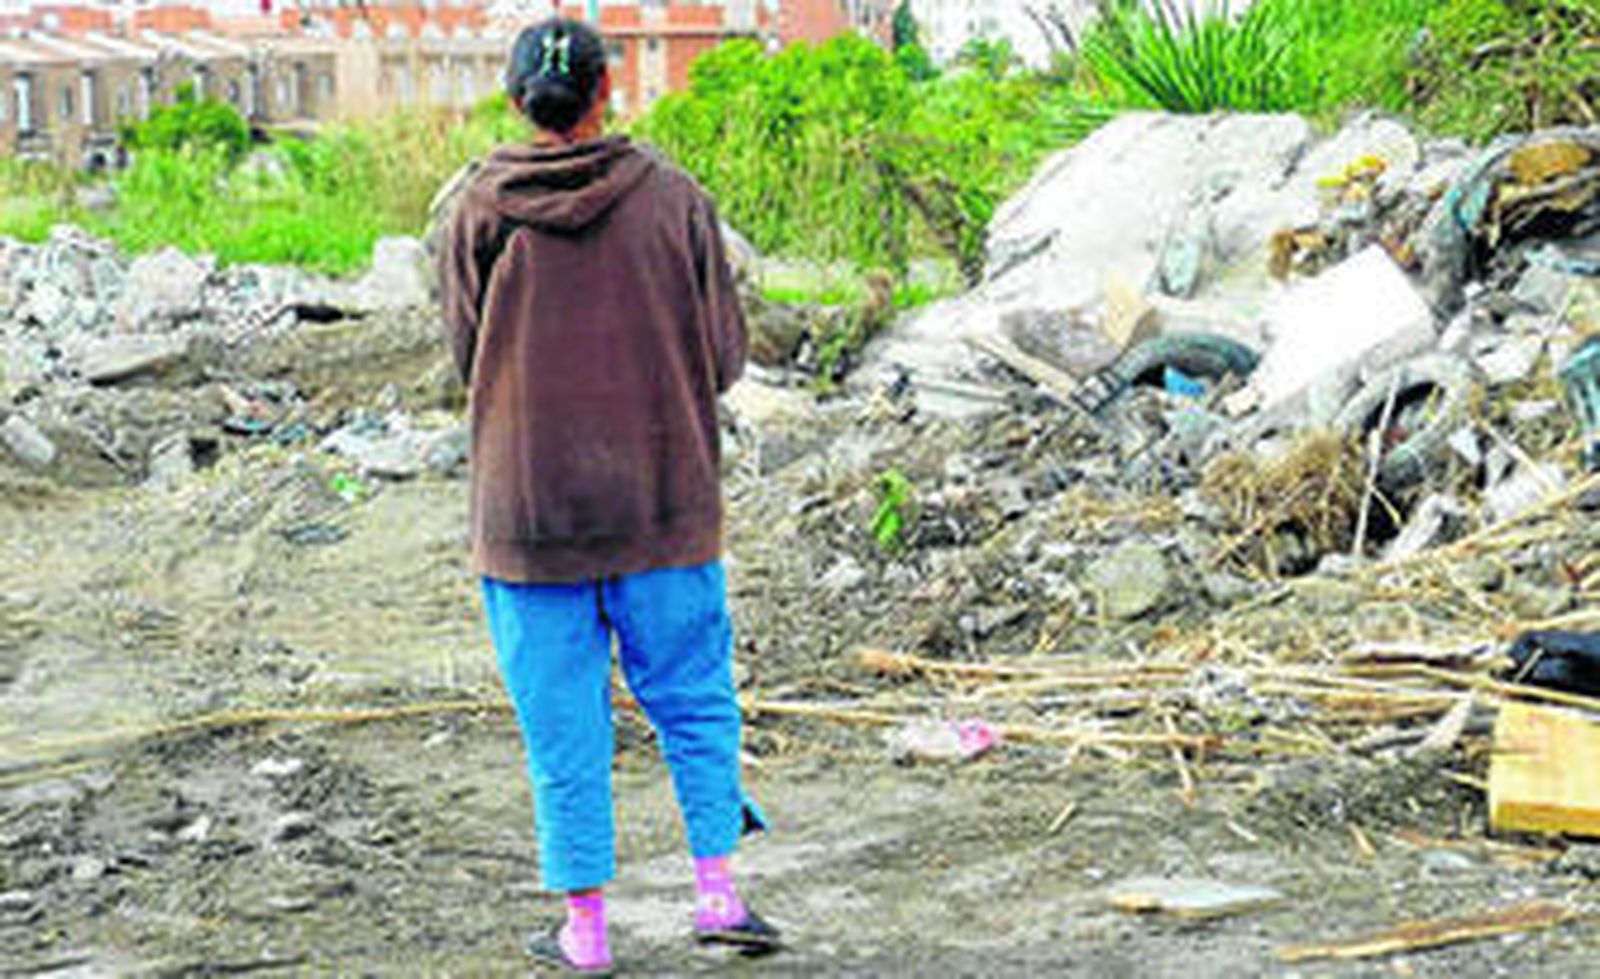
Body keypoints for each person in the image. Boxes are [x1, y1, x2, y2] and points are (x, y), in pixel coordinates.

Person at [436, 16, 778, 975]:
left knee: (562, 719)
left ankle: (586, 931)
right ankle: (718, 892)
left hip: (529, 513)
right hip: (663, 501)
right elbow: (723, 359)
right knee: (695, 698)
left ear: (517, 102)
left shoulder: (476, 210)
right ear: (605, 96)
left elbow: (467, 357)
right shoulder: (675, 201)